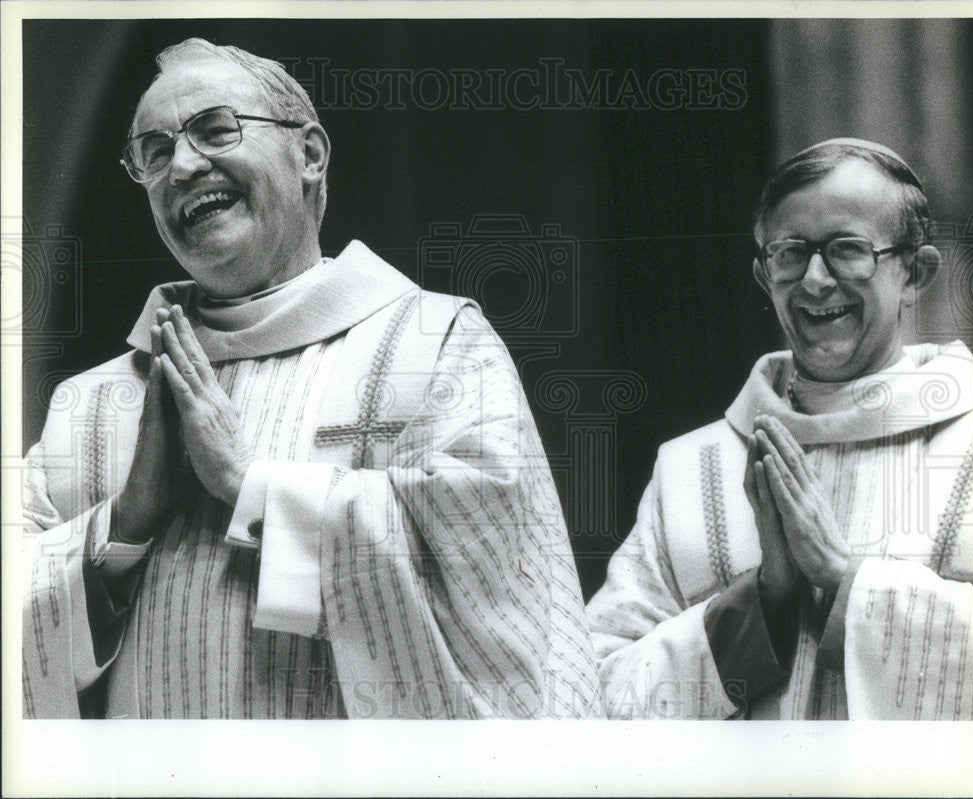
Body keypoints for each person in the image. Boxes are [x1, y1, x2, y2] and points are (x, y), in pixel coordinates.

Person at [21, 38, 598, 719]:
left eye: (214, 129)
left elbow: (501, 594)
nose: (180, 165)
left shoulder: (434, 346)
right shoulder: (88, 404)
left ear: (311, 154)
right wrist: (125, 524)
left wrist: (249, 486)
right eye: (153, 151)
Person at [586, 138, 973, 720]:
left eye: (847, 250)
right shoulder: (691, 469)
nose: (815, 281)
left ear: (915, 275)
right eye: (790, 253)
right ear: (762, 275)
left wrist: (844, 580)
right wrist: (760, 605)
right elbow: (593, 693)